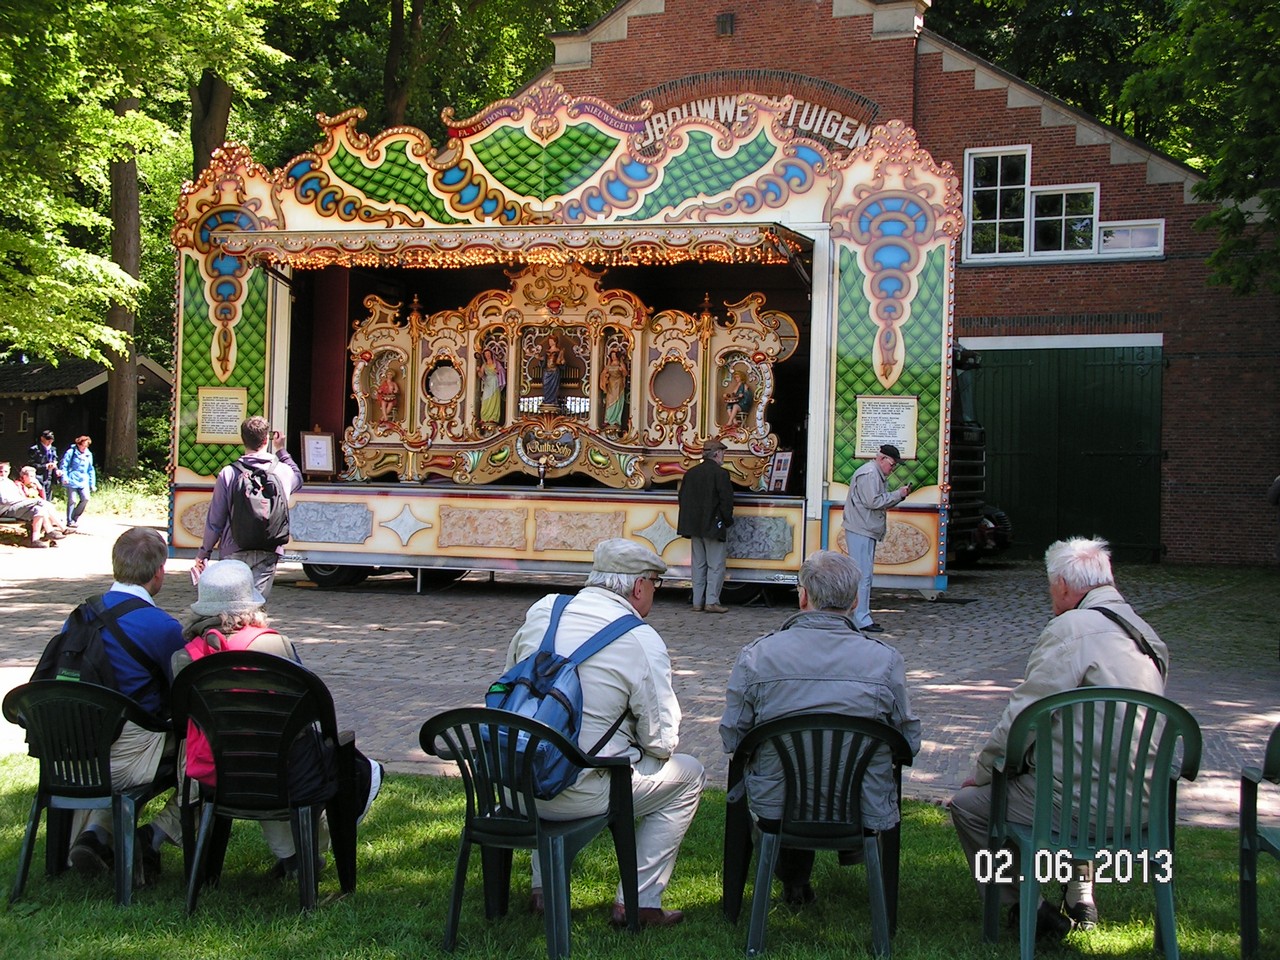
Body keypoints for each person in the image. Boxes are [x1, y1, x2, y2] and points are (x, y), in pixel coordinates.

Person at [948, 537, 1170, 938]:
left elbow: (1023, 717)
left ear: (1064, 585)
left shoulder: (1070, 628)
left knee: (972, 806)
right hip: (1143, 805)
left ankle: (1025, 907)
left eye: (1050, 584)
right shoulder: (1146, 635)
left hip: (1075, 806)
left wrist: (984, 771)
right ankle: (1080, 891)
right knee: (1076, 770)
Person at [504, 538, 706, 927]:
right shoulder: (641, 639)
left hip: (512, 783)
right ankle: (640, 902)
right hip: (575, 793)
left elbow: (514, 681)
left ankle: (544, 889)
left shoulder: (545, 609)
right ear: (638, 587)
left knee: (548, 743)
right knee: (689, 774)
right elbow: (662, 742)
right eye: (654, 585)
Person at [720, 550, 921, 905]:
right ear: (856, 600)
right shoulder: (885, 661)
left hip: (777, 804)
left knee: (784, 771)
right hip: (861, 803)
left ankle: (790, 877)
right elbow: (909, 742)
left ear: (803, 597)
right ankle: (840, 861)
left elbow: (732, 736)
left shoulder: (757, 656)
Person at [175, 559, 383, 878]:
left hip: (217, 772)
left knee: (259, 744)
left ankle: (294, 856)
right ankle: (312, 846)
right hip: (282, 771)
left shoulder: (185, 657)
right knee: (312, 753)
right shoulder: (274, 645)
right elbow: (310, 706)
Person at [61, 527, 187, 882]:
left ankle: (98, 835)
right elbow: (183, 694)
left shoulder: (77, 617)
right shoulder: (162, 627)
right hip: (125, 757)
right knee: (203, 749)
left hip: (70, 754)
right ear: (159, 572)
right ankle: (154, 836)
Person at [193, 416, 303, 601]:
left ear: (242, 438)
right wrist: (281, 450)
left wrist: (204, 553)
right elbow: (298, 478)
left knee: (232, 605)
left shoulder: (229, 473)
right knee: (255, 605)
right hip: (269, 548)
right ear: (266, 439)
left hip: (234, 548)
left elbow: (215, 519)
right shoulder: (282, 471)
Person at [841, 444, 911, 633]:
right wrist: (899, 495)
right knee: (862, 576)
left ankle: (860, 616)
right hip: (861, 528)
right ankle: (860, 619)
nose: (893, 468)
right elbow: (874, 502)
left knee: (863, 575)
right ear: (882, 459)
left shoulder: (872, 473)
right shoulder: (870, 474)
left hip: (863, 527)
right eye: (892, 464)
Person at [677, 438, 735, 613]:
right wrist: (727, 520)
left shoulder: (691, 473)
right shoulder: (721, 474)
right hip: (713, 525)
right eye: (723, 452)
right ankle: (711, 601)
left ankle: (697, 602)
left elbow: (682, 498)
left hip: (694, 526)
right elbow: (726, 501)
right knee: (715, 565)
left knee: (698, 564)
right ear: (717, 454)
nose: (724, 455)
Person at [0, 460, 63, 547]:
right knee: (40, 501)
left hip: (15, 507)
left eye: (5, 471)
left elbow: (18, 496)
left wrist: (20, 500)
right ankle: (62, 528)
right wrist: (20, 500)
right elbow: (4, 500)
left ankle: (35, 540)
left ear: (9, 471)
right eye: (1, 471)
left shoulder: (10, 483)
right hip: (5, 510)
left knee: (40, 509)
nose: (3, 474)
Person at [60, 435, 96, 528]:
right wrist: (64, 477)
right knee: (72, 500)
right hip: (72, 479)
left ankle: (75, 517)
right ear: (78, 444)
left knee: (86, 498)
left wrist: (92, 483)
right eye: (83, 446)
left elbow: (90, 469)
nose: (84, 448)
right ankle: (69, 520)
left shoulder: (88, 454)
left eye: (86, 446)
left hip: (84, 480)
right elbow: (64, 465)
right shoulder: (71, 452)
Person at [27, 428, 61, 499]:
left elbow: (55, 460)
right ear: (42, 438)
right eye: (48, 439)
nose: (50, 441)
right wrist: (45, 466)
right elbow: (32, 464)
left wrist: (56, 469)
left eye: (51, 440)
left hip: (49, 477)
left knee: (49, 498)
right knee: (42, 498)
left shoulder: (53, 449)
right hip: (39, 477)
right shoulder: (34, 450)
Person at [478, 346, 506, 426]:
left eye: (488, 354)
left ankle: (493, 417)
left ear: (491, 354)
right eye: (486, 354)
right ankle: (484, 417)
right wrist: (478, 371)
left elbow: (502, 371)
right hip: (488, 384)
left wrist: (498, 371)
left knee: (494, 400)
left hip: (495, 383)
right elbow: (481, 375)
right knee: (485, 400)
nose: (487, 355)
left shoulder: (496, 363)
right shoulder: (484, 365)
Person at [602, 347, 627, 433]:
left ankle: (616, 420)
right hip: (611, 385)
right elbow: (603, 373)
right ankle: (608, 419)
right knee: (609, 401)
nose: (613, 357)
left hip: (618, 385)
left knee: (617, 402)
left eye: (614, 355)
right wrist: (605, 377)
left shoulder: (620, 365)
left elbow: (625, 373)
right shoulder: (609, 365)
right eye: (611, 355)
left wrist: (622, 369)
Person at [540, 334, 563, 408]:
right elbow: (544, 360)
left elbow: (561, 361)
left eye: (551, 341)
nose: (549, 342)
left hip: (554, 372)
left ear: (554, 341)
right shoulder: (547, 351)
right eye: (549, 341)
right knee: (546, 386)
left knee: (553, 387)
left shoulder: (559, 351)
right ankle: (547, 400)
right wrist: (540, 359)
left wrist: (562, 362)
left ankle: (553, 401)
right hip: (547, 372)